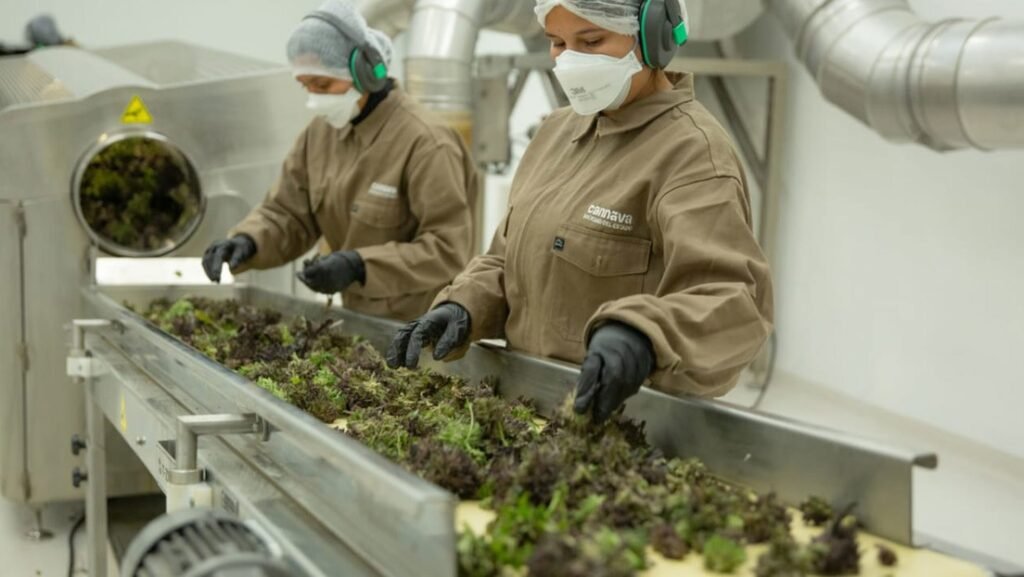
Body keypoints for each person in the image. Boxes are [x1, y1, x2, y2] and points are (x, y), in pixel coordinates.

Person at [387, 0, 773, 423]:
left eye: (591, 40)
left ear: (652, 38)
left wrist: (642, 336)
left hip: (622, 426)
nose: (570, 60)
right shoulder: (555, 132)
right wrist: (463, 305)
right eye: (557, 43)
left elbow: (734, 303)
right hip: (526, 411)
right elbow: (508, 259)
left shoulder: (692, 153)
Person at [203, 0, 478, 321]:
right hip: (356, 321)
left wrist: (359, 266)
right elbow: (288, 214)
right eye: (305, 85)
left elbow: (447, 250)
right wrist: (247, 241)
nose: (314, 99)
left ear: (366, 74)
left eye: (323, 85)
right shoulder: (319, 135)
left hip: (420, 331)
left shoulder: (427, 143)